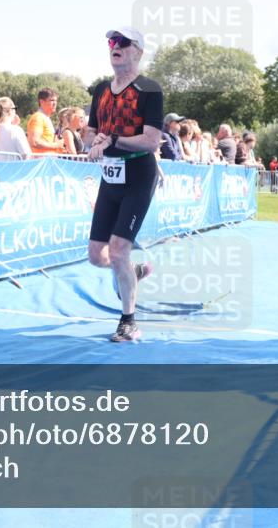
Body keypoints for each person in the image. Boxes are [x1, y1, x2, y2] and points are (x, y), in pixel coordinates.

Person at [85, 27, 163, 343]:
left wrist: (114, 139)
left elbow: (151, 140)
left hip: (139, 176)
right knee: (96, 255)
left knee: (118, 250)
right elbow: (88, 134)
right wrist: (94, 142)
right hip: (110, 176)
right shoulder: (101, 90)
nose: (114, 47)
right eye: (111, 42)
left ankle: (128, 321)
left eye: (122, 43)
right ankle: (134, 272)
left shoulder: (149, 90)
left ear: (138, 52)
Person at [27, 87, 65, 154]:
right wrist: (56, 145)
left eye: (56, 101)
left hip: (48, 161)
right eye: (52, 100)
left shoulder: (45, 117)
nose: (55, 103)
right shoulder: (38, 117)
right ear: (41, 101)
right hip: (41, 161)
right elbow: (34, 142)